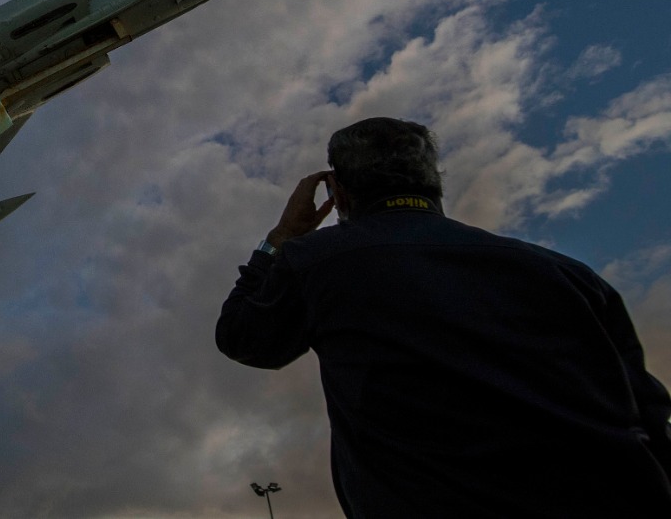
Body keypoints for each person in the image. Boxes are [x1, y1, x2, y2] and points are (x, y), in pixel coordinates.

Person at [216, 117, 671, 518]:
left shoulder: (316, 260)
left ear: (337, 191)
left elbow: (243, 337)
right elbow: (650, 415)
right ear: (434, 184)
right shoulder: (570, 275)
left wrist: (280, 237)